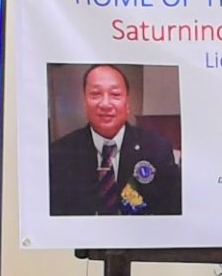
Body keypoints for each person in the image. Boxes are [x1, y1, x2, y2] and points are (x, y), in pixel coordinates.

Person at [47, 64, 182, 216]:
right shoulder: (59, 154)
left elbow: (171, 209)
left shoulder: (157, 148)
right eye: (96, 94)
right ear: (85, 102)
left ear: (127, 104)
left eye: (115, 95)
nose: (105, 104)